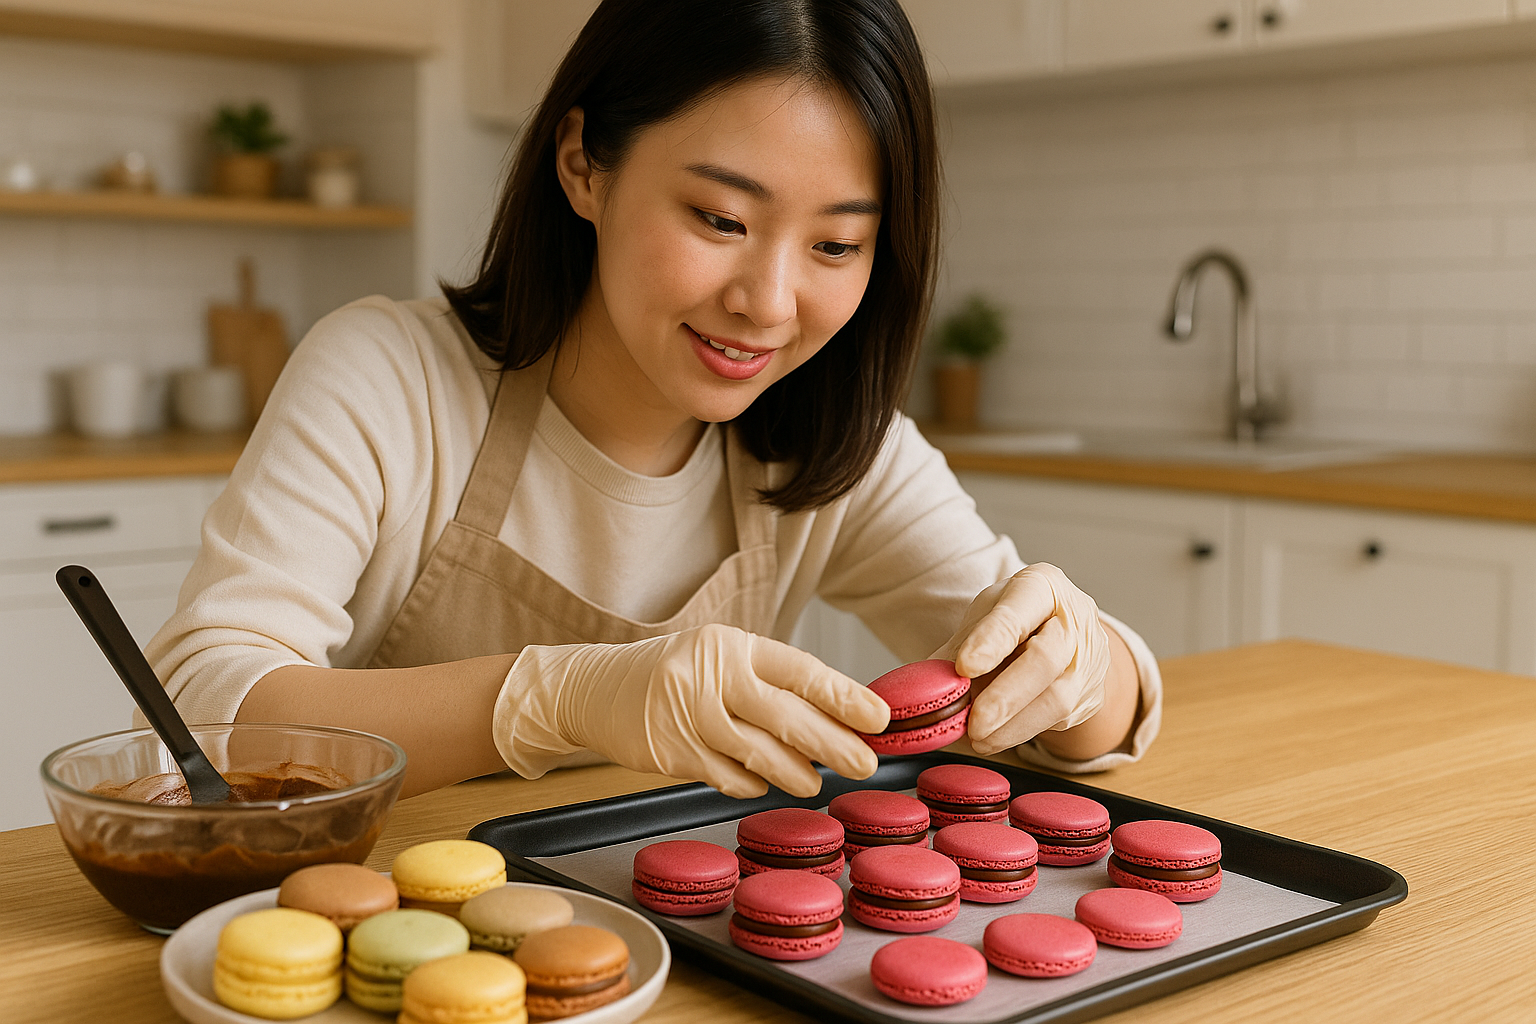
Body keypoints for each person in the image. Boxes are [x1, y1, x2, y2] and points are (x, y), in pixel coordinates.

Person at [148, 0, 1161, 800]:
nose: (767, 303)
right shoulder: (389, 378)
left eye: (836, 245)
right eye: (721, 217)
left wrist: (1085, 667)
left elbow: (1077, 715)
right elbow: (203, 707)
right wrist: (552, 697)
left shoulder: (835, 445)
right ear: (583, 163)